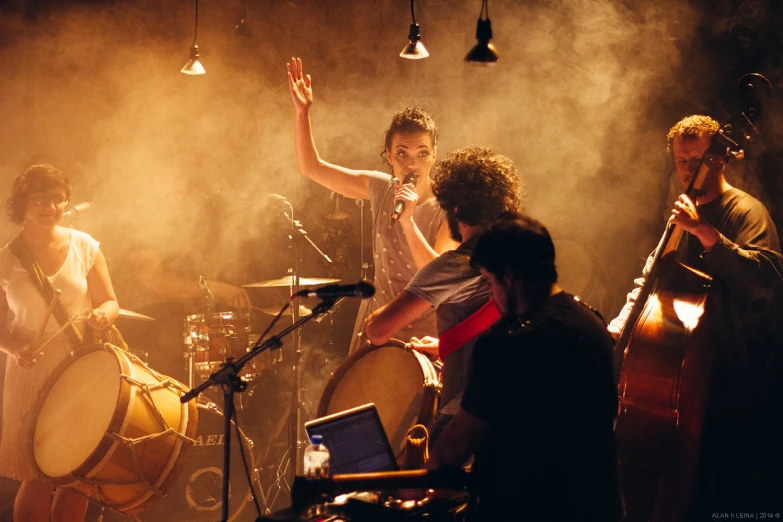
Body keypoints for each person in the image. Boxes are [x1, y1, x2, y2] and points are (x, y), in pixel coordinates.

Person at [608, 114, 783, 517]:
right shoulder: (680, 216)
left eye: (698, 159)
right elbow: (652, 280)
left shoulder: (745, 211)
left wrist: (705, 233)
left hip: (729, 375)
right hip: (683, 376)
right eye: (682, 160)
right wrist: (619, 329)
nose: (689, 169)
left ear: (719, 159)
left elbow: (766, 277)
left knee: (724, 487)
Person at [427, 212, 621, 522]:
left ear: (508, 276)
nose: (491, 293)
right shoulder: (592, 322)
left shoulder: (509, 342)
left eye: (490, 282)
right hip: (595, 504)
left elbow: (452, 452)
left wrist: (417, 486)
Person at [287, 57, 458, 353]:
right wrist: (302, 113)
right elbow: (311, 167)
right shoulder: (380, 188)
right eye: (402, 154)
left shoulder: (448, 209)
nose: (412, 163)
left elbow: (439, 282)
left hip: (423, 341)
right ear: (389, 157)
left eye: (421, 153)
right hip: (375, 329)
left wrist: (409, 221)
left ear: (434, 156)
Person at [363, 146, 524, 441]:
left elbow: (378, 330)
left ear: (455, 209)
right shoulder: (516, 255)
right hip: (516, 405)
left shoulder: (456, 265)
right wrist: (446, 344)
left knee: (416, 484)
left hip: (468, 410)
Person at [0, 164, 121, 521]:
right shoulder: (5, 259)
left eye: (58, 199)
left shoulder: (85, 246)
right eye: (41, 198)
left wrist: (104, 315)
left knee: (77, 473)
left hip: (79, 363)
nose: (51, 206)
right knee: (37, 473)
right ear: (22, 202)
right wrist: (12, 349)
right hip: (30, 367)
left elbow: (110, 302)